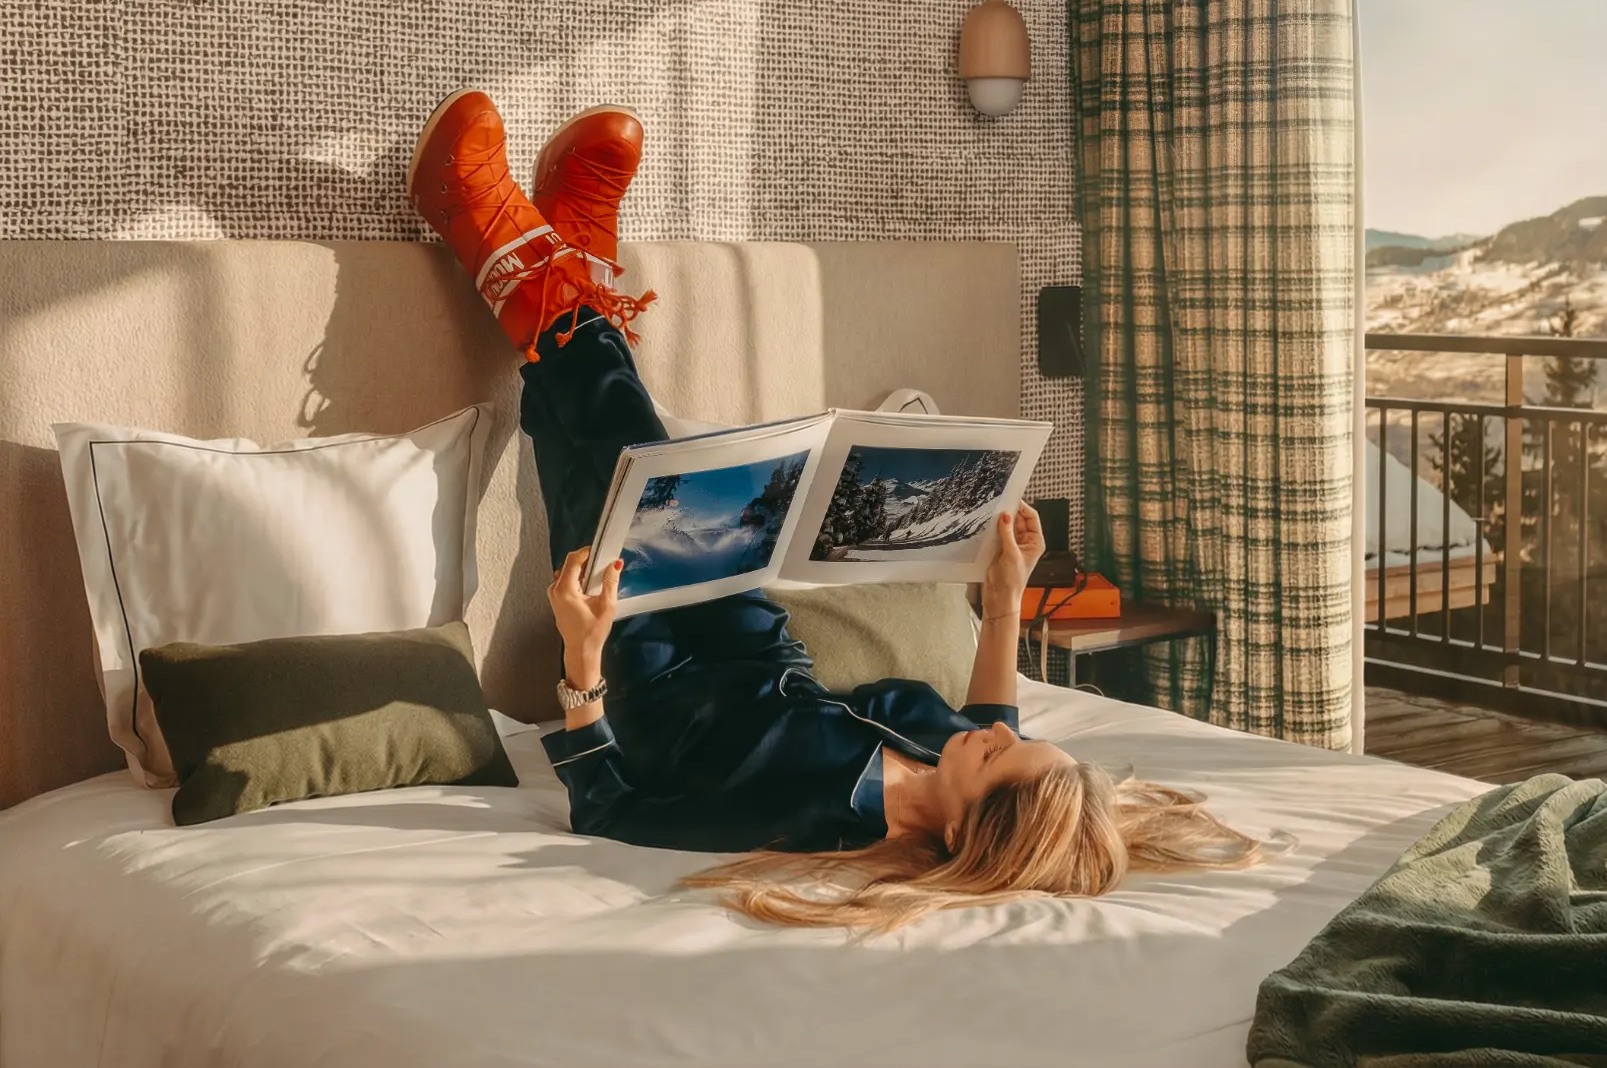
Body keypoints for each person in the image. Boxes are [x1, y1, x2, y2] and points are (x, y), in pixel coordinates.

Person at [408, 90, 1267, 932]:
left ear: (966, 831)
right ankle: (571, 267)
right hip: (745, 619)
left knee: (642, 460)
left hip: (647, 652)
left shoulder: (817, 820)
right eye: (1016, 739)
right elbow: (994, 719)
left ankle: (515, 245)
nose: (997, 733)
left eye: (1002, 755)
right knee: (583, 439)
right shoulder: (952, 754)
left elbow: (613, 812)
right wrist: (1004, 593)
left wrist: (582, 661)